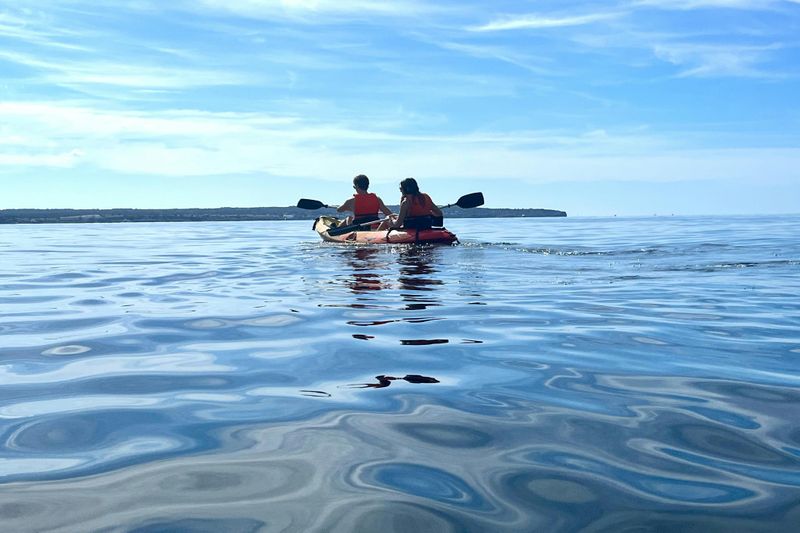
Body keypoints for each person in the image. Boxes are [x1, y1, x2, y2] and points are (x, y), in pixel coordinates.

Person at [377, 177, 443, 230]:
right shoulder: (426, 197)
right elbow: (439, 213)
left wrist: (391, 221)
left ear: (406, 189)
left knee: (387, 218)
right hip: (426, 226)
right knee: (392, 217)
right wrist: (427, 213)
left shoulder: (405, 202)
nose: (400, 190)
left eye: (401, 188)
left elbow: (397, 224)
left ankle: (373, 238)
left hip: (411, 228)